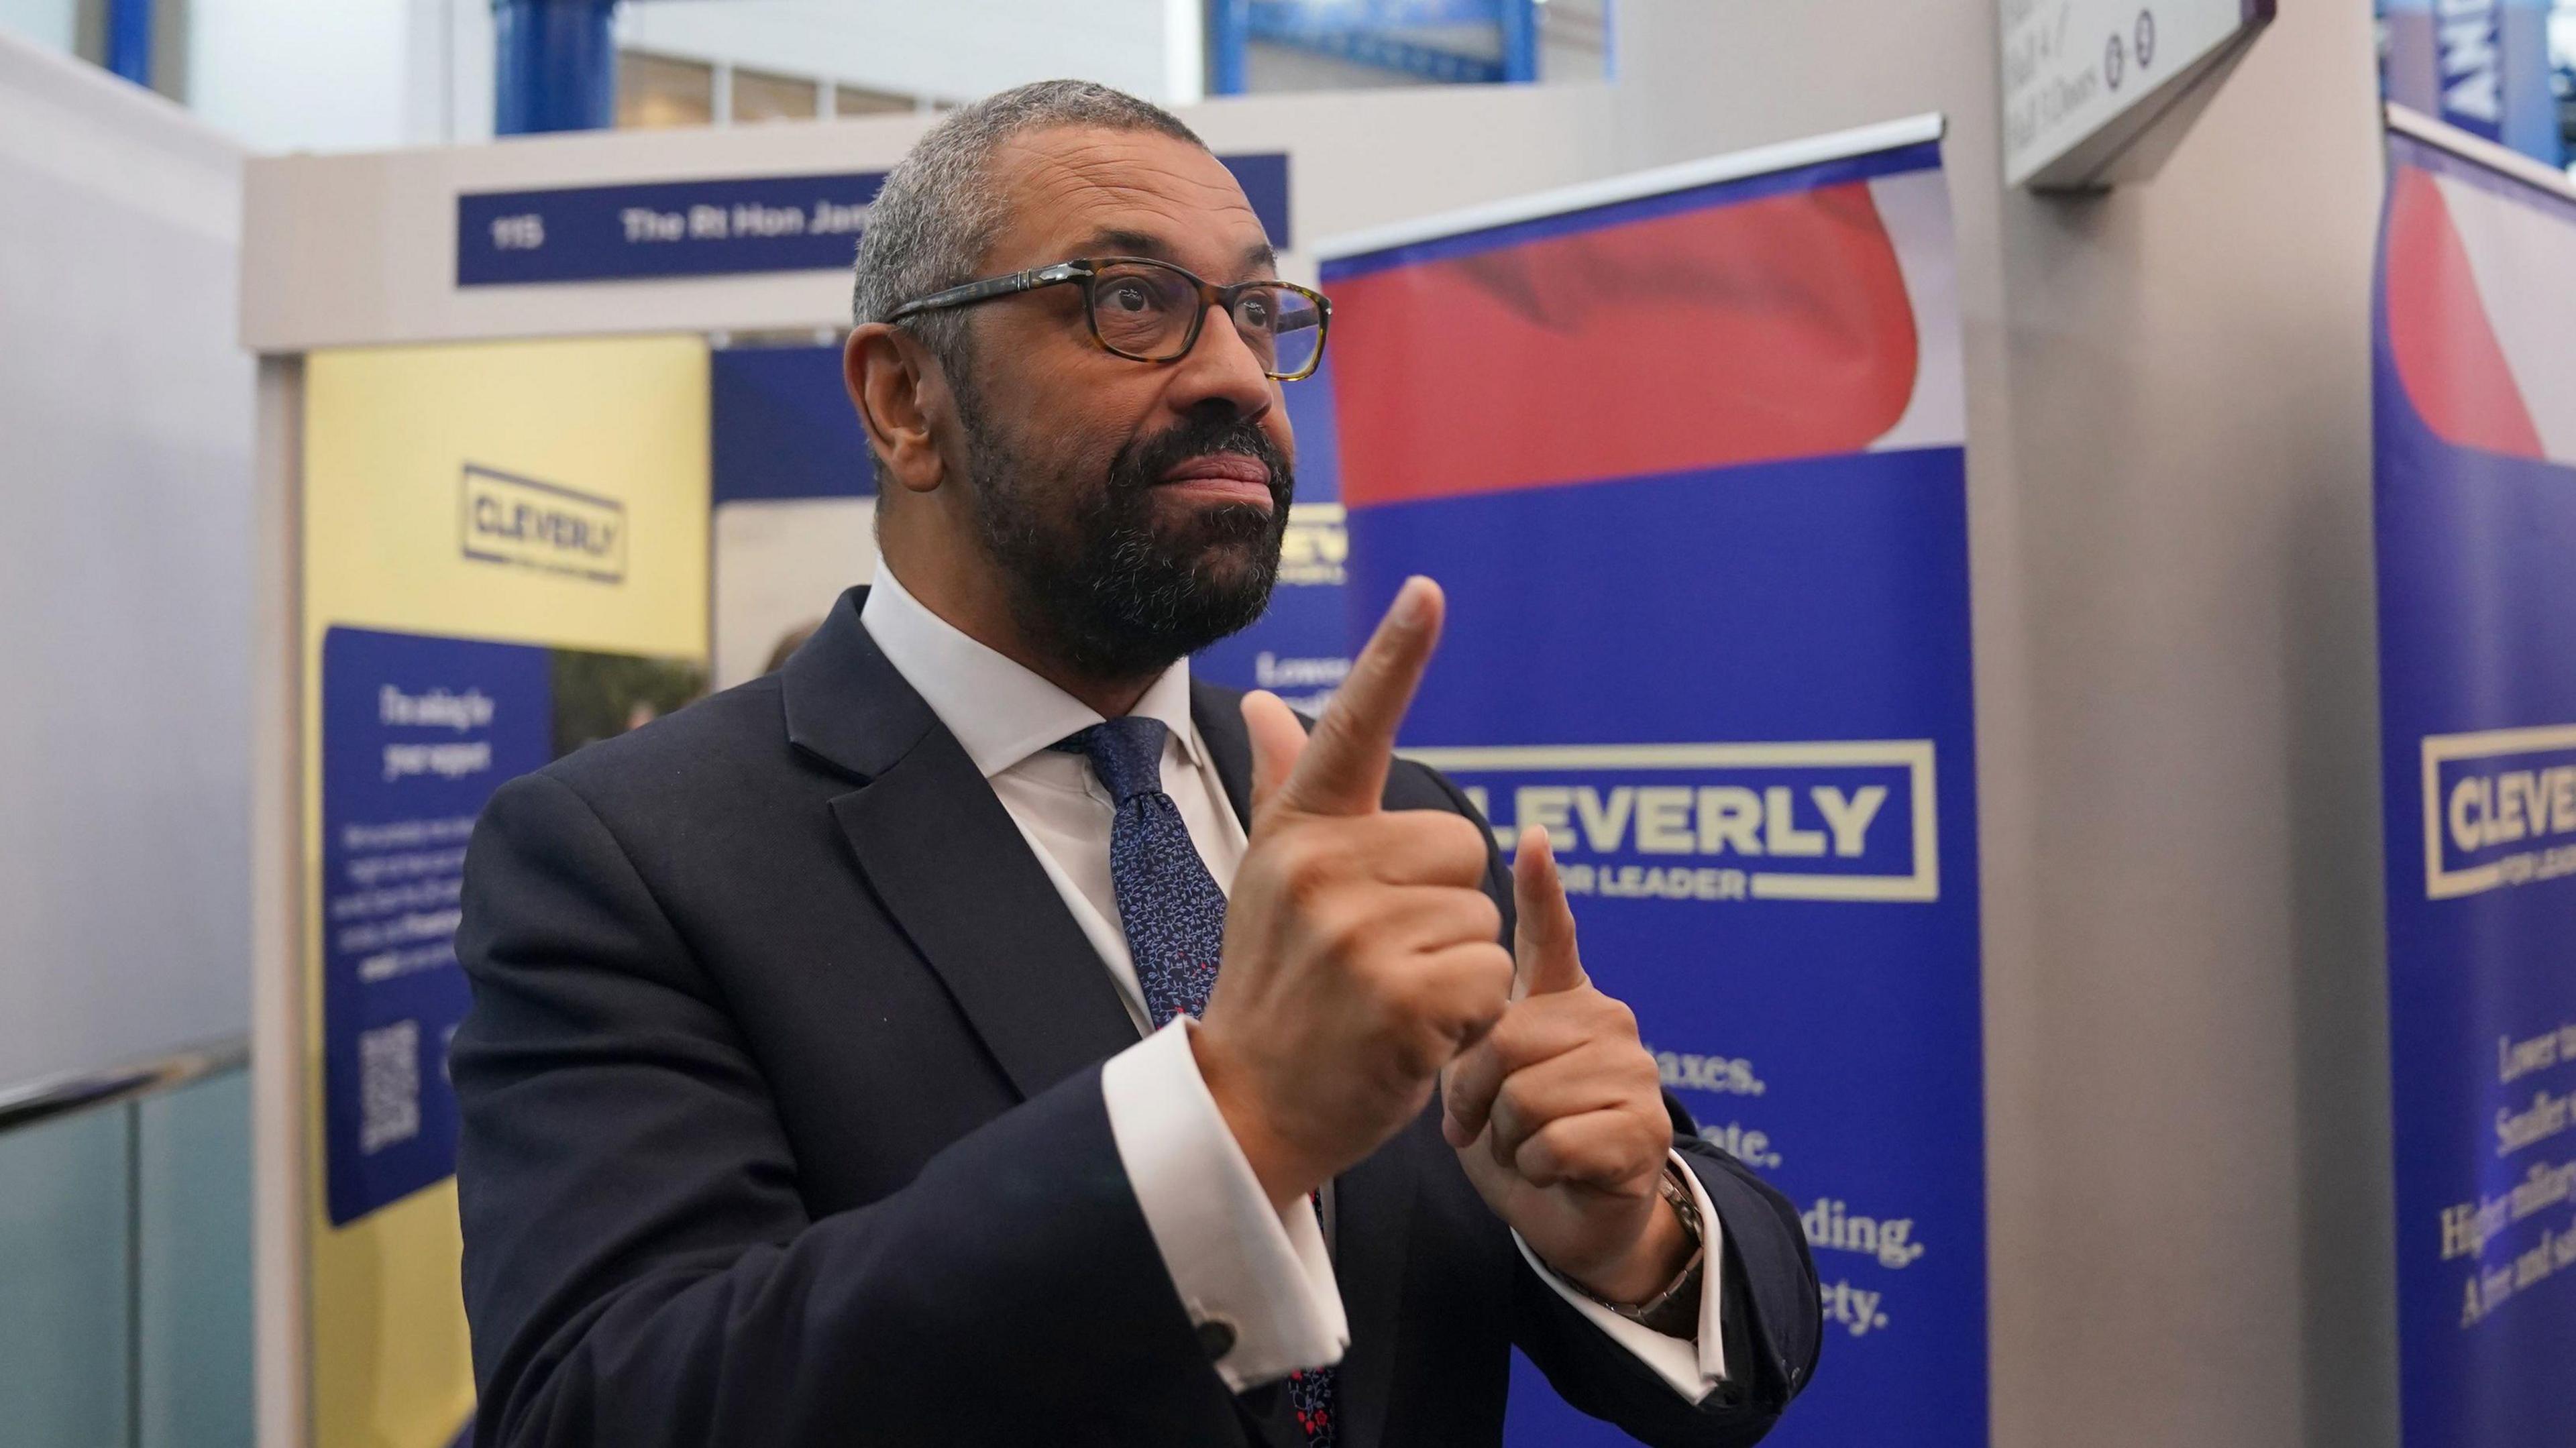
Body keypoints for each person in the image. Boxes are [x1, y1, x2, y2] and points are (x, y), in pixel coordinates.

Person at [451, 79, 1819, 1448]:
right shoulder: (626, 855)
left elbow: (1744, 1320)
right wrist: (1227, 1125)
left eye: (1259, 313)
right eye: (1130, 303)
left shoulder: (1389, 816)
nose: (1236, 375)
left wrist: (1632, 1232)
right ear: (903, 399)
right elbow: (601, 1406)